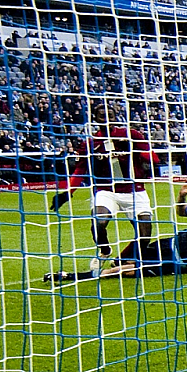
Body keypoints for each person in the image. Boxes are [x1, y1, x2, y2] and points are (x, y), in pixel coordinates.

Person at [50, 101, 158, 270]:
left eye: (111, 116)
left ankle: (121, 260)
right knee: (98, 222)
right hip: (106, 191)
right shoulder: (91, 144)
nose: (107, 119)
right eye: (102, 116)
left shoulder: (131, 135)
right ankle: (104, 251)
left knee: (145, 234)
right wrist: (68, 193)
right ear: (96, 119)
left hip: (134, 190)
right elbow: (80, 169)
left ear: (116, 118)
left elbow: (152, 157)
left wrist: (139, 153)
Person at [44, 184, 187, 282]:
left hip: (178, 261)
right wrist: (182, 196)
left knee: (125, 271)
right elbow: (182, 212)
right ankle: (105, 257)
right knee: (125, 262)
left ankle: (68, 276)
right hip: (169, 243)